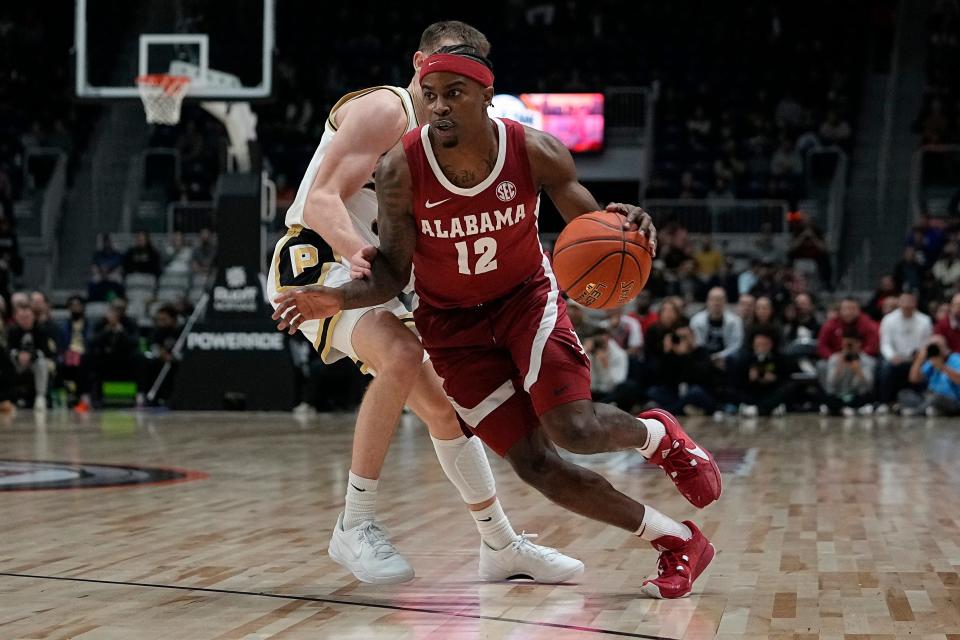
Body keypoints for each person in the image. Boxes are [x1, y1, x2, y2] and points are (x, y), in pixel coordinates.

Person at [273, 47, 722, 599]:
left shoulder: (532, 149)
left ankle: (658, 437)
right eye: (431, 96)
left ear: (487, 96)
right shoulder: (399, 168)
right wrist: (336, 298)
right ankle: (674, 539)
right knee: (533, 463)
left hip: (522, 303)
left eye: (454, 95)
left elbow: (589, 220)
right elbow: (387, 273)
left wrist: (623, 225)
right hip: (449, 324)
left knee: (573, 429)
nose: (438, 108)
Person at [265, 23, 582, 586]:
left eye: (464, 74)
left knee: (445, 410)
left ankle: (501, 544)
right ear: (418, 63)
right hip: (323, 260)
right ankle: (353, 525)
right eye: (440, 70)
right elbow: (318, 200)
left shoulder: (455, 140)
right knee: (403, 353)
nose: (447, 86)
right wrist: (362, 262)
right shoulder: (388, 109)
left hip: (378, 272)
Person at [877, 292, 932, 410]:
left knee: (927, 367)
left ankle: (924, 401)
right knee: (886, 368)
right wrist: (892, 356)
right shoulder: (889, 319)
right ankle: (884, 402)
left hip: (917, 358)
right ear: (899, 303)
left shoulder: (925, 320)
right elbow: (885, 344)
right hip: (895, 357)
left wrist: (920, 356)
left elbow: (927, 343)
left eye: (910, 302)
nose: (907, 305)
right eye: (904, 302)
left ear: (915, 303)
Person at [820, 328, 877, 416]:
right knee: (826, 397)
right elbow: (830, 385)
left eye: (851, 344)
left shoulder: (867, 361)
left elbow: (869, 386)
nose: (848, 347)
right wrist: (839, 368)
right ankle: (845, 409)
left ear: (859, 344)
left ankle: (841, 410)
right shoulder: (835, 359)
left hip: (857, 395)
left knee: (869, 397)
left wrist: (858, 371)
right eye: (845, 344)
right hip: (839, 395)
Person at [900, 334, 960, 416]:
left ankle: (917, 412)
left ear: (945, 347)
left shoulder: (955, 358)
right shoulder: (931, 361)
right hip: (929, 396)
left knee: (935, 398)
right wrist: (919, 360)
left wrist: (942, 367)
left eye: (937, 346)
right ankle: (931, 410)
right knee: (904, 393)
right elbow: (913, 379)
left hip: (952, 399)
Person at [690, 287, 744, 370]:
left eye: (719, 300)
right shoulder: (696, 320)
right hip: (703, 355)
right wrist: (708, 358)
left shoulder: (735, 321)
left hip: (726, 356)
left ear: (725, 301)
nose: (716, 303)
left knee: (736, 357)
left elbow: (736, 345)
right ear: (707, 301)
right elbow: (697, 343)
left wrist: (720, 356)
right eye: (713, 299)